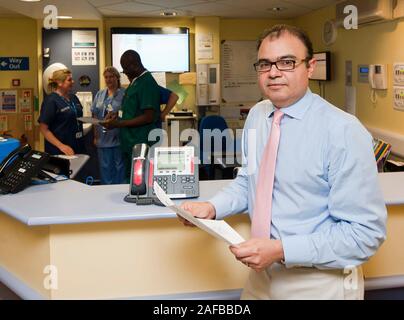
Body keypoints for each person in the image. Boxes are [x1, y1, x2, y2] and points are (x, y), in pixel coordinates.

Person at [179, 24, 387, 300]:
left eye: (287, 62)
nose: (274, 72)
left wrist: (281, 250)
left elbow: (365, 234)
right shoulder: (257, 116)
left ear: (310, 67)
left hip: (319, 282)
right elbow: (248, 181)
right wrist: (212, 208)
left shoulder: (343, 132)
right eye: (265, 64)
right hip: (261, 278)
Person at [103, 50, 160, 179]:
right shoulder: (135, 82)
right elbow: (132, 109)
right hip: (131, 142)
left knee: (141, 182)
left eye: (125, 69)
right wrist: (116, 114)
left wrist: (118, 124)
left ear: (134, 65)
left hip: (141, 143)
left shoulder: (147, 83)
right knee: (131, 180)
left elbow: (148, 116)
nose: (125, 72)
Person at [91, 66, 125, 185]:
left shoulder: (124, 94)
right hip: (102, 139)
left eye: (111, 77)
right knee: (105, 168)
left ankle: (120, 192)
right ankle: (106, 193)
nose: (109, 79)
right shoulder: (100, 94)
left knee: (119, 167)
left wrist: (118, 114)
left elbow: (126, 113)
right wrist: (95, 136)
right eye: (106, 77)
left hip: (118, 137)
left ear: (117, 77)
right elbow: (95, 114)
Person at [38, 68, 85, 156]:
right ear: (59, 83)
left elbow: (75, 117)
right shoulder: (51, 101)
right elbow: (43, 129)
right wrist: (61, 146)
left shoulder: (74, 98)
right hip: (60, 151)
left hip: (78, 146)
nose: (73, 82)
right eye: (69, 80)